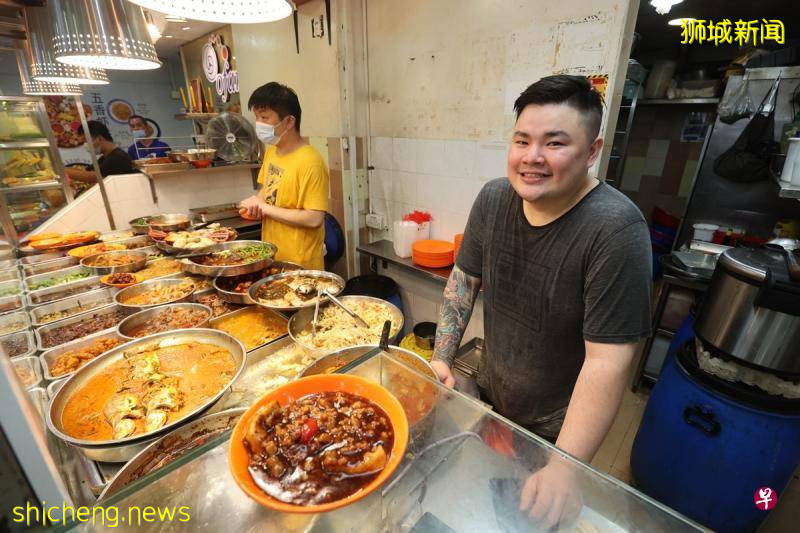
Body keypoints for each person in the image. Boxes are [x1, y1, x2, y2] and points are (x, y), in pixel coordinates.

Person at [430, 75, 652, 528]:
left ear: (592, 151)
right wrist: (440, 359)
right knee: (495, 498)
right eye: (522, 140)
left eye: (554, 143)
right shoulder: (494, 198)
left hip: (558, 425)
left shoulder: (616, 230)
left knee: (534, 515)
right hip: (496, 394)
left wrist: (566, 466)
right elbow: (462, 283)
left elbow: (607, 363)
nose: (532, 157)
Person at [239, 82, 329, 269]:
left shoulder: (311, 161)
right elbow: (267, 192)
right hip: (273, 256)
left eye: (264, 117)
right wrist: (255, 205)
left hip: (301, 265)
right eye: (257, 117)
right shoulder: (272, 151)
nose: (259, 124)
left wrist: (265, 208)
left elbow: (314, 218)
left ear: (289, 121)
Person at [64, 120, 136, 187]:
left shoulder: (118, 157)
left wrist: (61, 171)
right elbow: (85, 171)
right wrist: (62, 169)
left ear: (100, 138)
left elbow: (93, 177)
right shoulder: (105, 157)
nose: (85, 145)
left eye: (86, 141)